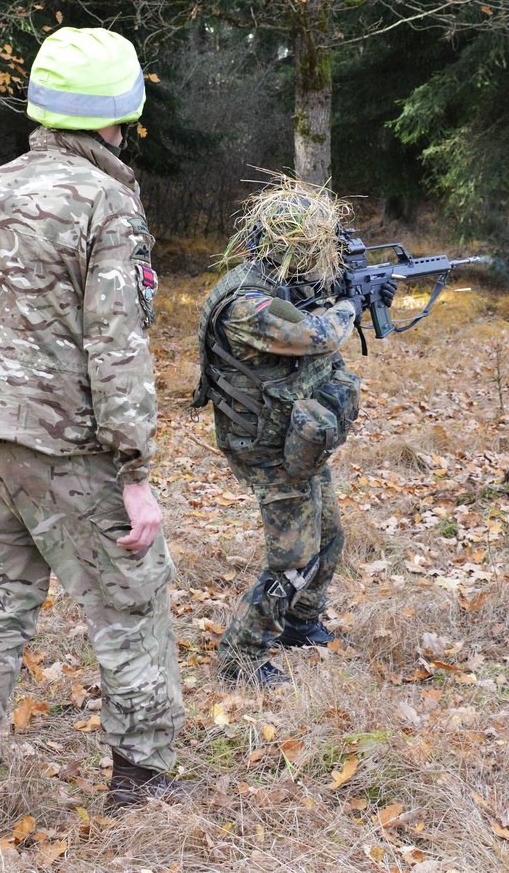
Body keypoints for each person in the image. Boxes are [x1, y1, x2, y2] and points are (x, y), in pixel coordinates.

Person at [0, 27, 184, 827]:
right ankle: (142, 785)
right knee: (133, 602)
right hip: (68, 448)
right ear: (121, 112)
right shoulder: (107, 203)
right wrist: (134, 475)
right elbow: (115, 343)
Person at [194, 177, 393, 684]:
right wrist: (349, 303)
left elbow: (305, 304)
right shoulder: (246, 303)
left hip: (292, 434)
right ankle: (241, 658)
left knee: (329, 535)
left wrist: (349, 291)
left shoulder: (273, 280)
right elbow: (314, 333)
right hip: (263, 442)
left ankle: (301, 624)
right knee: (294, 557)